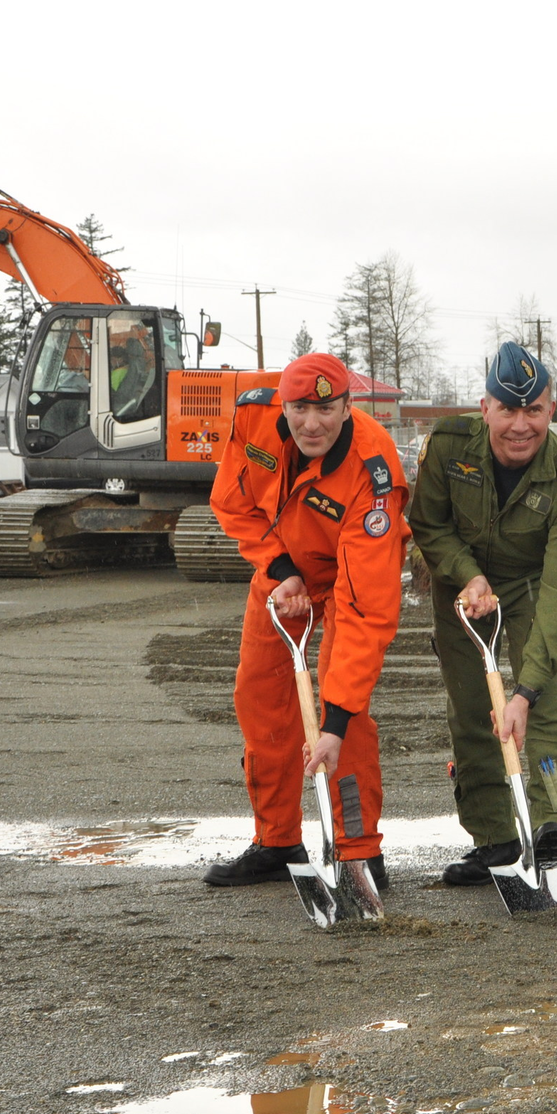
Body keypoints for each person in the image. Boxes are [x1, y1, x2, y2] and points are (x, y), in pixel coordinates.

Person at [203, 352, 410, 889]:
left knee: (348, 712)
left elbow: (368, 609)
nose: (310, 423)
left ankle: (358, 851)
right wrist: (280, 567)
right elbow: (231, 501)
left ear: (347, 406)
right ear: (284, 403)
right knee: (262, 698)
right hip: (283, 568)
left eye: (325, 408)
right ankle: (276, 841)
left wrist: (334, 723)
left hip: (349, 577)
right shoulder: (253, 418)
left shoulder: (373, 471)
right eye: (300, 409)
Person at [407, 343, 557, 885]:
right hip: (463, 588)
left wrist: (526, 691)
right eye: (508, 410)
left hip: (532, 586)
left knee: (541, 710)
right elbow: (430, 525)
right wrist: (467, 574)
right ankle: (494, 837)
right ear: (484, 406)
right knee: (471, 711)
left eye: (533, 410)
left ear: (551, 410)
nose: (520, 425)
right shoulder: (447, 447)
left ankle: (555, 830)